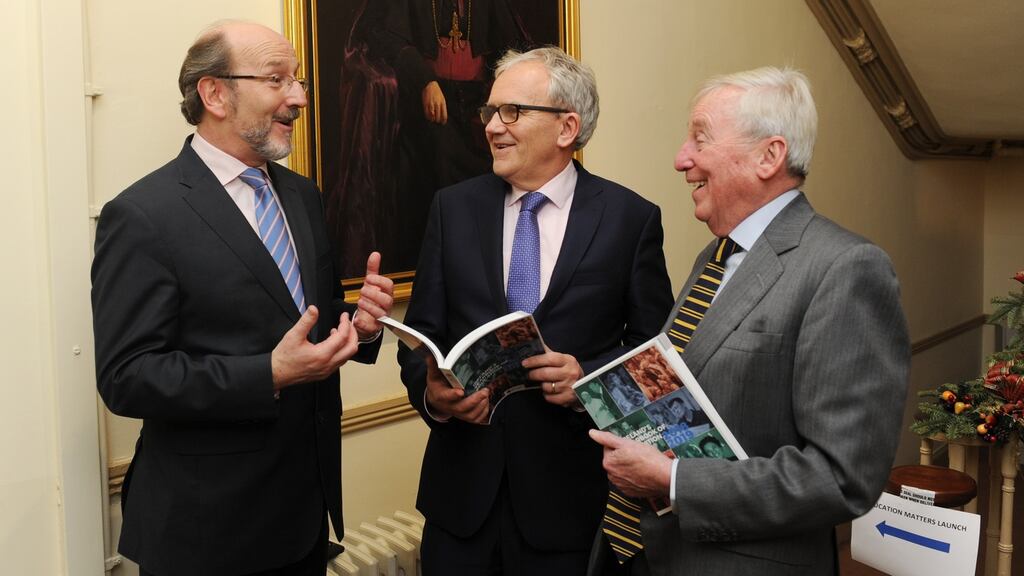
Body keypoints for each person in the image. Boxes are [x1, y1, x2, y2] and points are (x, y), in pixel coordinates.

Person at [91, 21, 395, 576]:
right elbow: (127, 376)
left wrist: (361, 326)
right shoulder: (142, 216)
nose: (300, 96)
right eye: (278, 79)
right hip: (206, 533)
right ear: (215, 94)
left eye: (298, 80)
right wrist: (268, 375)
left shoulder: (302, 196)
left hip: (303, 521)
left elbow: (309, 320)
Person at [587, 66, 910, 575]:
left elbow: (843, 478)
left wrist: (673, 483)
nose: (681, 159)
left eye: (699, 137)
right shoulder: (714, 258)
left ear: (769, 156)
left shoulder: (846, 268)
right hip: (642, 549)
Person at [397, 46, 673, 575]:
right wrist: (432, 394)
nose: (493, 128)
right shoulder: (451, 208)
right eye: (490, 112)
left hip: (571, 505)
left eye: (513, 112)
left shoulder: (628, 219)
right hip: (461, 507)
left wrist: (587, 381)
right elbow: (421, 337)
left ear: (567, 127)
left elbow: (655, 358)